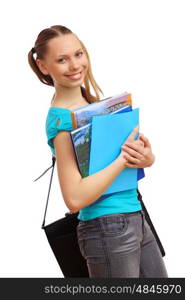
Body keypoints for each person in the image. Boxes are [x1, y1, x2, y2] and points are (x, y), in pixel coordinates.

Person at [28, 25, 168, 278]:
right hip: (106, 228)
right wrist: (122, 160)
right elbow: (74, 198)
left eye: (78, 54)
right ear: (43, 66)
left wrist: (146, 158)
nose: (74, 65)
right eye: (62, 59)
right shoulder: (62, 121)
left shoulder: (94, 106)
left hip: (135, 215)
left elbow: (116, 165)